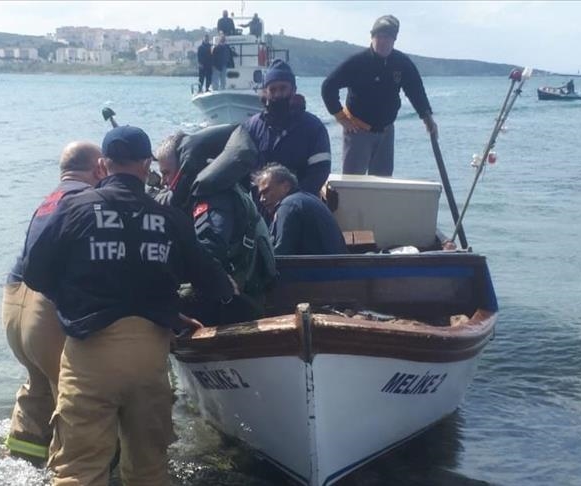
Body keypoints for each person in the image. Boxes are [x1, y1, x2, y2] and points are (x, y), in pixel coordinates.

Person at [21, 126, 234, 486]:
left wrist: (75, 297)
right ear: (146, 164)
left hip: (90, 351)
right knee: (149, 469)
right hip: (149, 357)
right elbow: (211, 282)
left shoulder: (73, 209)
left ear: (104, 165)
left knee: (79, 470)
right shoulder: (169, 218)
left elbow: (35, 274)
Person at [2, 142, 107, 465]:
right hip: (43, 311)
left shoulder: (50, 200)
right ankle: (71, 469)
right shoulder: (85, 200)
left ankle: (20, 461)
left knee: (38, 387)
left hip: (12, 303)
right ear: (100, 167)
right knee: (76, 399)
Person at [155, 125, 276, 324]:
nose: (164, 181)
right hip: (240, 286)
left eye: (166, 173)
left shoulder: (212, 196)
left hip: (239, 298)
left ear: (184, 167)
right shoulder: (214, 188)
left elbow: (210, 250)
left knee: (152, 302)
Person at [321, 15, 437, 176]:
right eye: (379, 37)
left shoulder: (401, 63)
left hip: (386, 132)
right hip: (358, 131)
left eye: (387, 38)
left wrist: (427, 118)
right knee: (352, 184)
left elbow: (416, 90)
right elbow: (328, 87)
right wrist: (341, 118)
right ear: (372, 37)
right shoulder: (358, 62)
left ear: (394, 40)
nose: (382, 42)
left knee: (382, 185)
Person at [244, 60, 332, 196]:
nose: (278, 94)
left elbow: (320, 171)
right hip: (260, 206)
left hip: (299, 206)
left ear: (294, 90)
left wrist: (291, 197)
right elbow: (243, 170)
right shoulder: (252, 127)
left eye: (283, 88)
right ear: (265, 92)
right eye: (273, 89)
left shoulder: (314, 128)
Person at [254, 164, 347, 255]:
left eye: (266, 191)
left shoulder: (288, 206)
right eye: (260, 195)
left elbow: (280, 256)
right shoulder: (307, 199)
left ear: (286, 186)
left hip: (317, 269)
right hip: (337, 267)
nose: (262, 199)